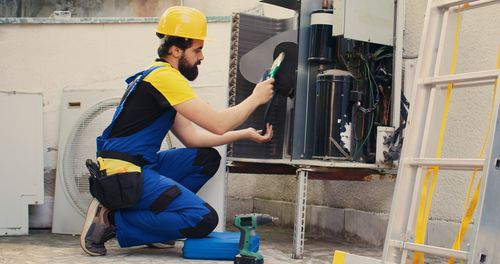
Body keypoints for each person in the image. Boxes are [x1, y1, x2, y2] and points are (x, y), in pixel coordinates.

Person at [80, 6, 274, 256]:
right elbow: (218, 123)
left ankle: (154, 228)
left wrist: (245, 133)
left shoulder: (161, 78)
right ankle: (111, 220)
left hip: (140, 167)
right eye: (197, 49)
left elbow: (193, 138)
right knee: (203, 219)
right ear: (175, 50)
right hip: (125, 173)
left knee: (205, 159)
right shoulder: (166, 79)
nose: (202, 56)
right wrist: (256, 98)